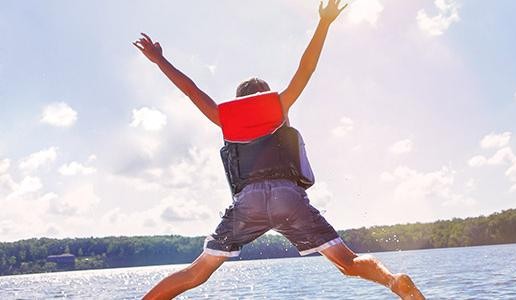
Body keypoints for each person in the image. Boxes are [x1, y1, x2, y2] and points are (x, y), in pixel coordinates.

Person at [133, 1, 425, 299]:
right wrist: (324, 23)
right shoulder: (280, 105)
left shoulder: (225, 118)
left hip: (249, 203)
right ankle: (393, 282)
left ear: (238, 101)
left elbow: (190, 89)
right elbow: (306, 68)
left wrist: (160, 61)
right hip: (289, 197)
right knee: (347, 262)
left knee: (197, 272)